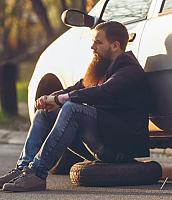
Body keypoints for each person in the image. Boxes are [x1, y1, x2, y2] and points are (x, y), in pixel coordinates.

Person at [0, 21, 150, 192]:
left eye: (98, 42)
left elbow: (101, 92)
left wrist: (60, 100)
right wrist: (51, 98)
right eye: (93, 42)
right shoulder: (102, 69)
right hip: (101, 141)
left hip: (119, 148)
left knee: (72, 108)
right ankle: (22, 169)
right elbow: (79, 87)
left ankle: (36, 173)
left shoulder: (129, 71)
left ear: (115, 46)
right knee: (45, 112)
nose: (92, 47)